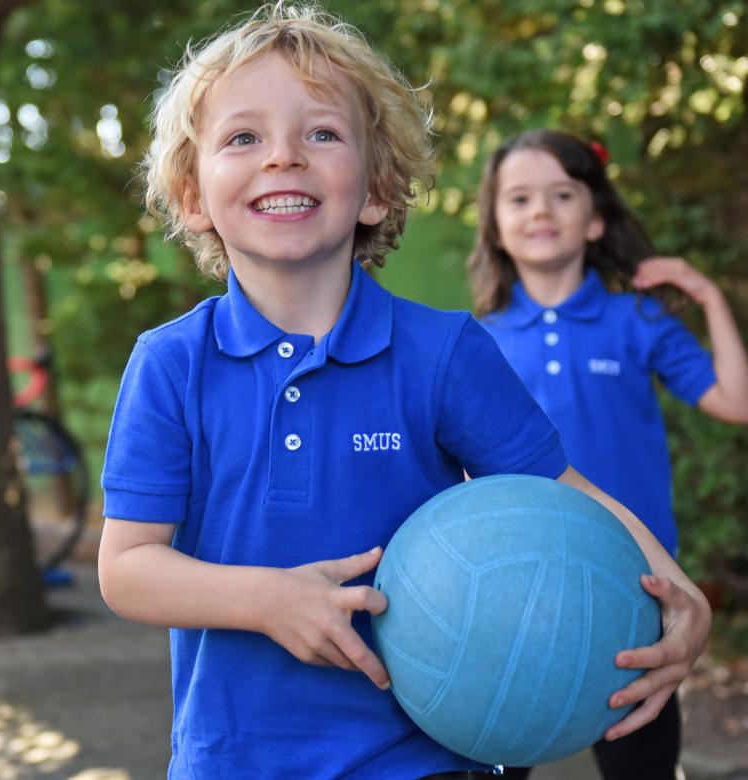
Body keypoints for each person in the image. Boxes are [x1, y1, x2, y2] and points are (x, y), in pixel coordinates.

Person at [97, 7, 712, 779]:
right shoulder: (170, 364)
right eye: (243, 138)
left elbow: (567, 493)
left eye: (321, 133)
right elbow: (127, 568)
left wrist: (683, 591)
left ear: (377, 190)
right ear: (192, 197)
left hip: (420, 758)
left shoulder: (443, 352)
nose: (283, 157)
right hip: (234, 759)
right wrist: (267, 600)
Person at [468, 129, 748, 780]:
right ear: (496, 227)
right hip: (514, 590)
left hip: (633, 584)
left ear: (594, 220)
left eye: (561, 195)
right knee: (497, 757)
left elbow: (737, 404)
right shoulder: (474, 343)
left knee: (640, 761)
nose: (539, 211)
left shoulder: (638, 321)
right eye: (518, 199)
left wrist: (708, 296)